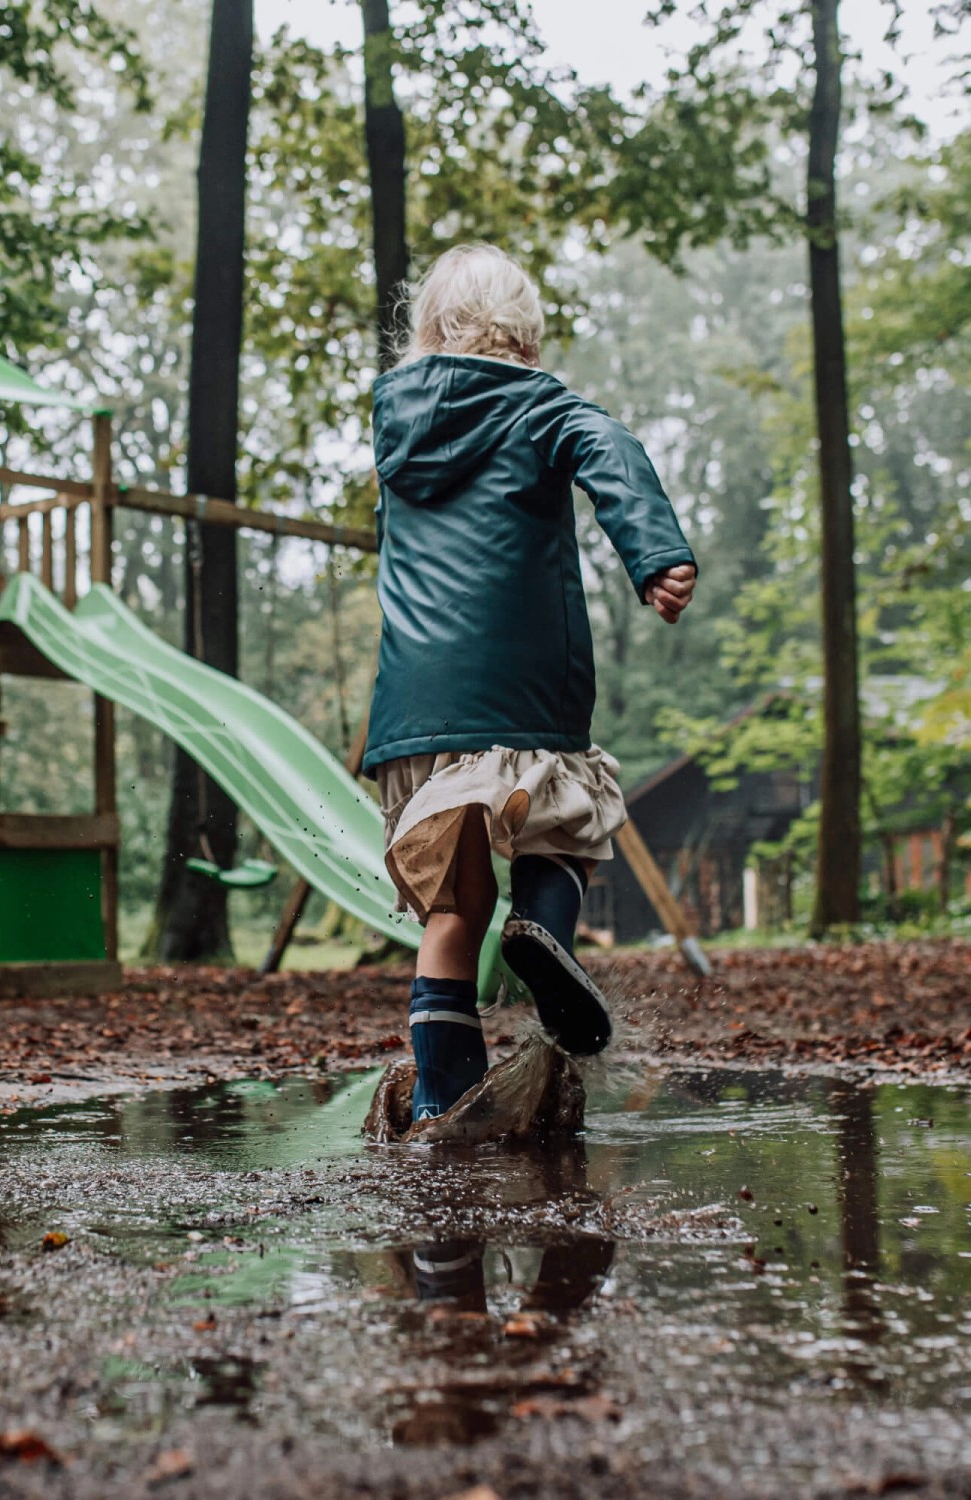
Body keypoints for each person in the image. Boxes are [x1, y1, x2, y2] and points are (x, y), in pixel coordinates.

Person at [362, 244, 698, 1122]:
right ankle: (545, 925)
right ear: (523, 333)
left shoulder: (395, 420)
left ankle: (444, 1101)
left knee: (454, 907)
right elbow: (610, 448)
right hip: (521, 678)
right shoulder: (543, 403)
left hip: (413, 702)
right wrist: (655, 553)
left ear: (431, 326)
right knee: (565, 816)